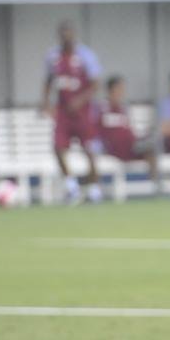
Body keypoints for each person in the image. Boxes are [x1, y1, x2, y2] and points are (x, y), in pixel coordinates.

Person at [40, 20, 103, 204]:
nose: (66, 38)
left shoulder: (85, 55)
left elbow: (96, 83)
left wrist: (81, 100)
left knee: (89, 149)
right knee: (58, 147)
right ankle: (71, 186)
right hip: (63, 112)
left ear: (74, 35)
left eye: (69, 34)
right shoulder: (53, 56)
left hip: (83, 112)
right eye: (63, 35)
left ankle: (94, 188)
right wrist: (46, 103)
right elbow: (48, 80)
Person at [96, 75, 159, 189]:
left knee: (151, 148)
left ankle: (154, 186)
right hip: (112, 150)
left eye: (122, 89)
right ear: (110, 90)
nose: (121, 93)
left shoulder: (122, 109)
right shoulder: (101, 109)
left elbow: (129, 131)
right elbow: (97, 131)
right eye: (119, 89)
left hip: (130, 148)